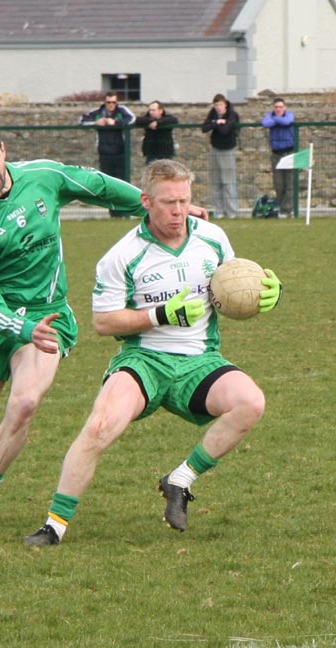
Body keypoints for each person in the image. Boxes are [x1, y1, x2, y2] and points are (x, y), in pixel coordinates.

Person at [0, 122, 209, 532]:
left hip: (48, 314)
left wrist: (152, 207)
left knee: (24, 403)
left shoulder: (42, 176)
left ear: (4, 149)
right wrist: (20, 329)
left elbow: (97, 186)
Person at [24, 159, 282, 547]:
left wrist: (266, 294)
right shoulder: (123, 255)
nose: (178, 211)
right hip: (144, 360)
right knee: (98, 428)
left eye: (184, 201)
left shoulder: (213, 238)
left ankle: (180, 480)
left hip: (200, 360)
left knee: (251, 402)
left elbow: (232, 288)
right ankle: (55, 525)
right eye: (168, 202)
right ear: (146, 201)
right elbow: (104, 323)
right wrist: (160, 315)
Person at [79, 92, 135, 217]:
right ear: (105, 102)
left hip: (121, 152)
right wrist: (96, 122)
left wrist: (115, 122)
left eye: (114, 102)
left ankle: (125, 212)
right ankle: (113, 213)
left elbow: (132, 119)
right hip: (104, 152)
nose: (111, 105)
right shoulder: (98, 112)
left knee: (122, 182)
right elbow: (82, 120)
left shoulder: (122, 111)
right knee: (108, 184)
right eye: (108, 102)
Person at [201, 93, 239, 219]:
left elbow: (225, 130)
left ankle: (232, 212)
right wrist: (217, 122)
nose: (218, 107)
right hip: (214, 149)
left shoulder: (232, 114)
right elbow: (204, 127)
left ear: (225, 105)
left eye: (220, 105)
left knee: (228, 182)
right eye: (216, 105)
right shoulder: (213, 113)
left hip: (227, 150)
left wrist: (216, 124)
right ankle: (219, 211)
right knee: (215, 181)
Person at [261, 97, 295, 218]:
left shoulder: (290, 115)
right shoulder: (269, 116)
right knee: (278, 184)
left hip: (289, 152)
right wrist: (277, 119)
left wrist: (275, 119)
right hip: (276, 154)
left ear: (285, 107)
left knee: (289, 184)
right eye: (276, 107)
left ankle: (288, 210)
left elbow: (287, 122)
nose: (278, 109)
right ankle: (281, 209)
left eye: (281, 107)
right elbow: (265, 123)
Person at [135, 100, 178, 165]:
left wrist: (158, 122)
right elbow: (138, 120)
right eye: (150, 110)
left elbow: (174, 120)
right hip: (151, 152)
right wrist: (151, 121)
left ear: (160, 111)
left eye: (153, 110)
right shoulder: (146, 118)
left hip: (165, 152)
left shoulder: (167, 118)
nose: (151, 112)